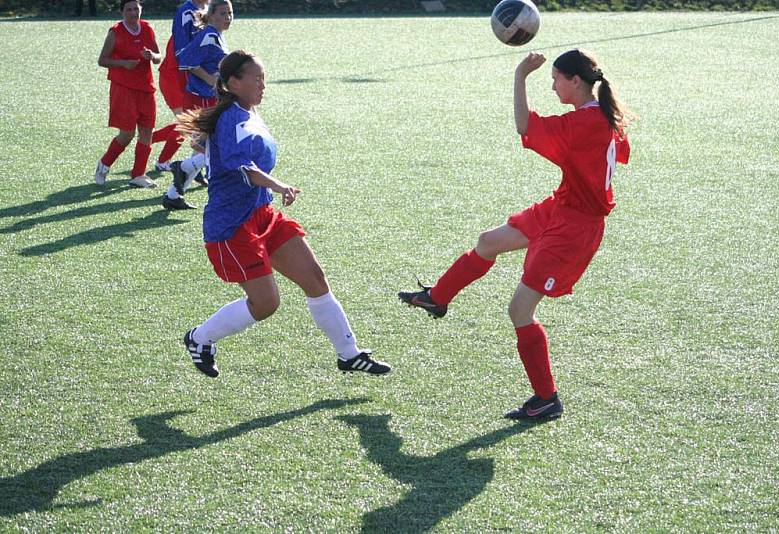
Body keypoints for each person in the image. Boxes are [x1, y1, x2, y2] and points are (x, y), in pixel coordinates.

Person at [398, 49, 631, 420]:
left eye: (556, 78)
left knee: (520, 309)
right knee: (488, 241)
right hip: (562, 207)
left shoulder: (587, 123)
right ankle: (437, 298)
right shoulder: (595, 117)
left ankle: (547, 398)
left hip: (575, 226)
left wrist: (520, 76)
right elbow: (615, 153)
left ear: (575, 81)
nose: (553, 85)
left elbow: (526, 126)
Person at [176, 50, 391, 378]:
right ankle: (200, 338)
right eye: (256, 78)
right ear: (233, 83)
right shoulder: (233, 117)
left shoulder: (247, 111)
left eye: (264, 77)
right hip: (232, 226)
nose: (263, 84)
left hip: (262, 215)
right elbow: (245, 170)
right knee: (266, 304)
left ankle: (349, 354)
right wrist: (281, 186)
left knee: (315, 278)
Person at [162, 0, 232, 210]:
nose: (228, 17)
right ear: (211, 16)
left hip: (208, 97)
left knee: (206, 148)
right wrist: (212, 80)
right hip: (201, 98)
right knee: (212, 147)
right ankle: (180, 167)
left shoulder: (216, 35)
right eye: (222, 13)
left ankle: (173, 195)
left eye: (230, 13)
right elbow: (187, 61)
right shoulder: (209, 34)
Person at [94, 0, 161, 189]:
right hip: (123, 88)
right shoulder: (115, 32)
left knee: (147, 131)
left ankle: (138, 174)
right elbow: (102, 60)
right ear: (122, 12)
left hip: (146, 88)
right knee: (127, 133)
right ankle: (104, 164)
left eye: (136, 9)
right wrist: (123, 63)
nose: (133, 12)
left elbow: (158, 57)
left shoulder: (147, 28)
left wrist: (152, 56)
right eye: (129, 9)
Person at [150, 0, 210, 173]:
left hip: (189, 78)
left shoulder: (204, 13)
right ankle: (162, 161)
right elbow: (183, 57)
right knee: (189, 124)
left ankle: (149, 138)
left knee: (193, 124)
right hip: (175, 78)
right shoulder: (186, 15)